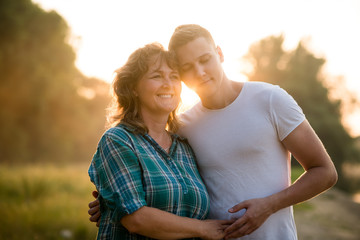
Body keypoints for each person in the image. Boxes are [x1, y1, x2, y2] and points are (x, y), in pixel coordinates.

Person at [89, 25, 338, 239]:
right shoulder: (183, 128)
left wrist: (269, 206)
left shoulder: (270, 100)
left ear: (219, 53)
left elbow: (325, 172)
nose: (199, 72)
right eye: (187, 67)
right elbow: (153, 184)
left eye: (205, 59)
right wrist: (113, 203)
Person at [88, 42, 233, 239]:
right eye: (157, 76)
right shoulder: (119, 140)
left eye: (174, 77)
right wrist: (202, 228)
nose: (168, 84)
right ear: (133, 88)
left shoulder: (185, 146)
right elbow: (136, 219)